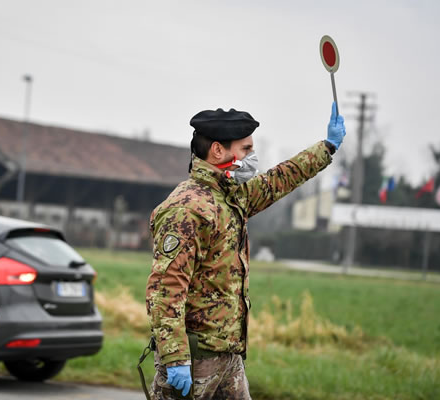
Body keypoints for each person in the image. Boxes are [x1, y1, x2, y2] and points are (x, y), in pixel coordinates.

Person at [145, 103, 345, 400]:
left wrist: (326, 148)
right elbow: (166, 289)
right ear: (217, 150)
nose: (252, 157)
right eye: (246, 149)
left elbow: (278, 180)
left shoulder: (231, 198)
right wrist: (175, 359)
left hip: (228, 356)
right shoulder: (187, 208)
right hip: (194, 360)